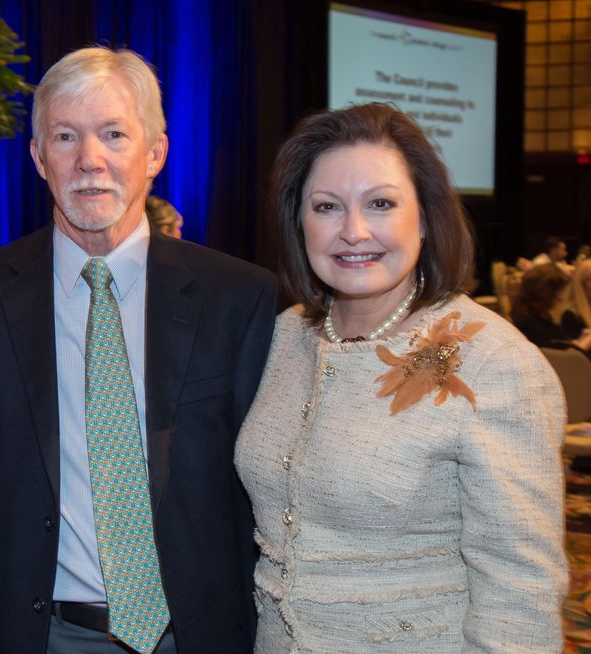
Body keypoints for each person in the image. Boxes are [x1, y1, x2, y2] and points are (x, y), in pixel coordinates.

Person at [0, 47, 277, 653]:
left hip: (199, 633)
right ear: (39, 158)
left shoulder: (237, 298)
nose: (89, 160)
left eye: (114, 135)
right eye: (65, 137)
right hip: (46, 634)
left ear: (155, 154)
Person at [235, 103, 567, 652]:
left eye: (381, 203)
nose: (353, 231)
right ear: (299, 222)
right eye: (326, 207)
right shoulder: (282, 336)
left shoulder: (493, 363)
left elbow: (520, 587)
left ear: (427, 218)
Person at [514, 263, 591, 353]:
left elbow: (562, 344)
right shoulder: (527, 323)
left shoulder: (543, 316)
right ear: (543, 294)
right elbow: (558, 356)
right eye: (556, 293)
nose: (560, 298)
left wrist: (580, 340)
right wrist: (586, 342)